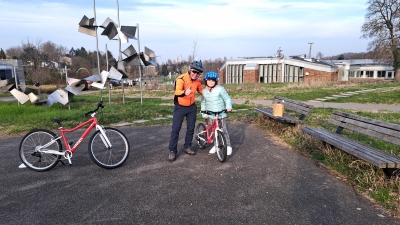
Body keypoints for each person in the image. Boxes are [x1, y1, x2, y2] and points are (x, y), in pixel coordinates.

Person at [168, 60, 204, 161]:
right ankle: (172, 151)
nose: (196, 74)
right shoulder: (181, 79)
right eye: (194, 71)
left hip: (192, 107)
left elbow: (201, 91)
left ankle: (187, 146)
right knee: (176, 129)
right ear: (189, 69)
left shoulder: (197, 81)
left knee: (191, 128)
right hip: (180, 107)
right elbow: (177, 91)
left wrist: (211, 91)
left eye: (198, 73)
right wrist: (184, 92)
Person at [200, 71, 233, 155]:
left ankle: (228, 146)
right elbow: (203, 103)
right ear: (206, 81)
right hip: (210, 114)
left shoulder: (220, 89)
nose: (211, 82)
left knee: (223, 129)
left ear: (216, 81)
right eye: (209, 80)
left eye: (213, 81)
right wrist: (204, 113)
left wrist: (228, 106)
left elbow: (227, 98)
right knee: (212, 130)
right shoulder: (204, 92)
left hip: (220, 113)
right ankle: (216, 145)